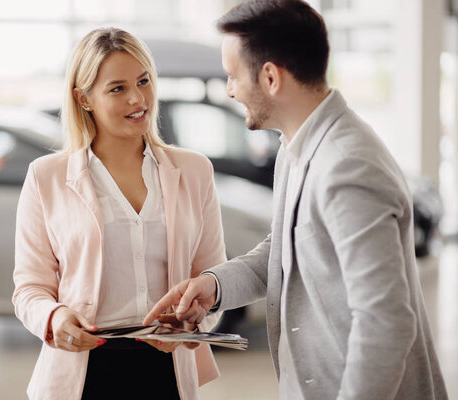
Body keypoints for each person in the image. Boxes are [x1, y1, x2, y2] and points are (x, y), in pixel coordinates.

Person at [144, 1, 448, 399]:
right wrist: (213, 286)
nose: (230, 90)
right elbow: (284, 252)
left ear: (270, 77)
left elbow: (385, 324)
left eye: (233, 76)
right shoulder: (297, 144)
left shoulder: (347, 167)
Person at [12, 27, 226, 400]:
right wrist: (55, 317)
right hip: (84, 371)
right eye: (117, 88)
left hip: (168, 368)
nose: (138, 98)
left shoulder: (194, 171)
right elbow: (30, 288)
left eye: (144, 81)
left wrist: (195, 318)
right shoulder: (46, 177)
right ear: (84, 99)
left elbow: (212, 276)